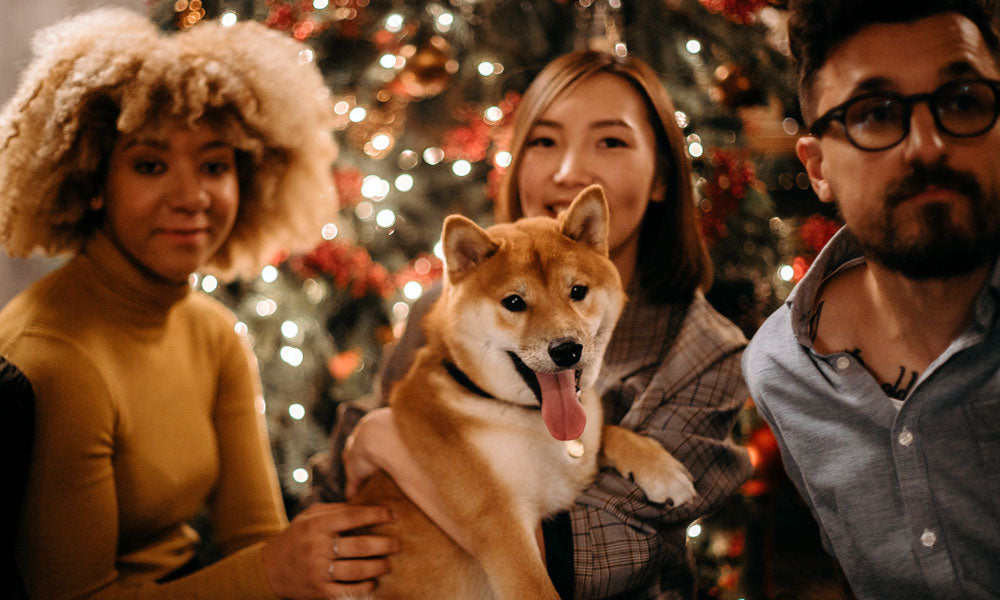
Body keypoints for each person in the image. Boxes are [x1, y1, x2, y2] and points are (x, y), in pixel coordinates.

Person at [310, 50, 753, 599]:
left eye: (610, 141)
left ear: (662, 175)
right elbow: (341, 482)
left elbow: (607, 552)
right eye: (544, 141)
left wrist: (390, 442)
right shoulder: (445, 312)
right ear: (518, 163)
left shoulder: (705, 351)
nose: (569, 171)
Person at [0, 9, 399, 599]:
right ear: (91, 181)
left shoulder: (212, 330)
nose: (191, 198)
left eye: (214, 166)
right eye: (150, 165)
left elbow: (256, 539)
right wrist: (272, 571)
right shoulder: (58, 359)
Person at [742, 1, 1000, 598]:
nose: (927, 146)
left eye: (961, 100)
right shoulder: (781, 371)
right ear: (817, 166)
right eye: (875, 114)